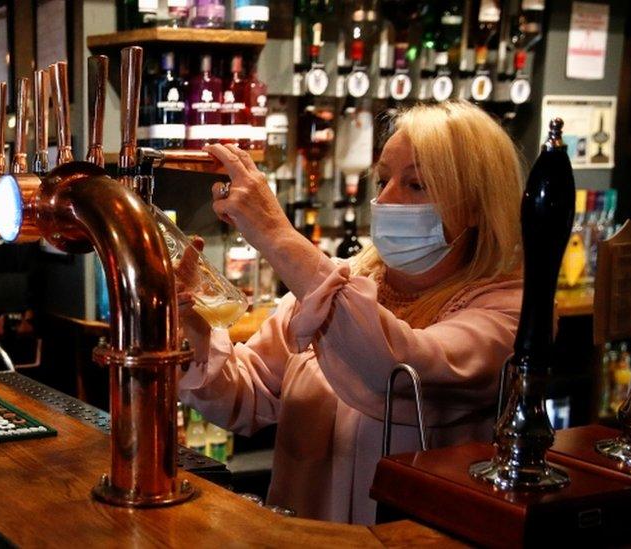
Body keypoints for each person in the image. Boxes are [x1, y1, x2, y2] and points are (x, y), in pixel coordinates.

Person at [178, 101, 524, 524]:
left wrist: (276, 235)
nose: (385, 199)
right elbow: (246, 396)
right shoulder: (345, 280)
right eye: (382, 179)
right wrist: (193, 327)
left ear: (477, 205)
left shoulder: (506, 309)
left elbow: (393, 367)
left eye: (416, 185)